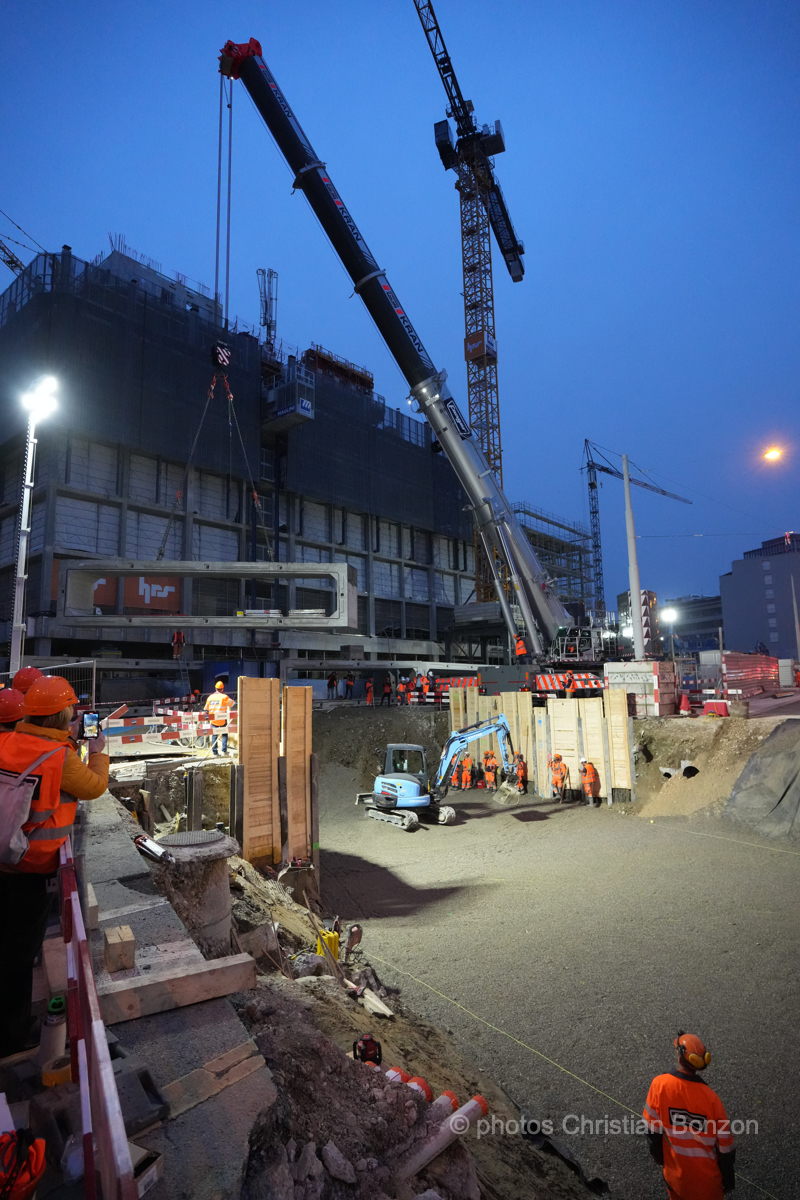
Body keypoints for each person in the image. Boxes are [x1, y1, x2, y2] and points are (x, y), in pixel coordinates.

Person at [0, 676, 109, 1058]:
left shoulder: (8, 739)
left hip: (2, 859)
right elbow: (94, 786)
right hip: (30, 866)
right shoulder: (60, 758)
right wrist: (98, 750)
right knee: (16, 957)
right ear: (65, 714)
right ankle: (10, 1038)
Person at [643, 1032, 735, 1199]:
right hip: (709, 1186)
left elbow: (651, 1131)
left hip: (676, 1181)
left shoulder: (660, 1085)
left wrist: (660, 1159)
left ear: (680, 1059)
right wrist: (728, 1181)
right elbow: (726, 1149)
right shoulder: (712, 1099)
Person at [204, 681, 235, 756]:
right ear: (222, 689)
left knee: (214, 736)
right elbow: (232, 704)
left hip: (213, 720)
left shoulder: (210, 697)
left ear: (216, 688)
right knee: (224, 734)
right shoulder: (224, 697)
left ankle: (215, 753)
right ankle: (224, 751)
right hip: (222, 720)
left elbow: (206, 709)